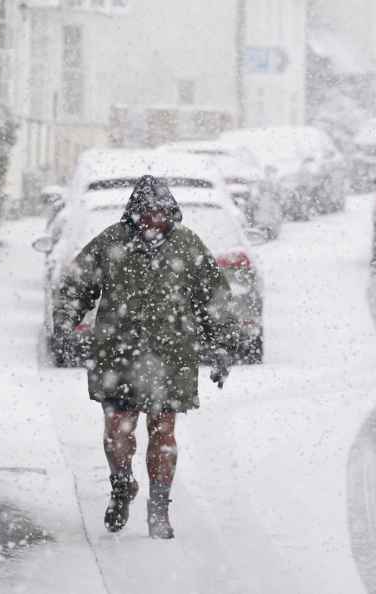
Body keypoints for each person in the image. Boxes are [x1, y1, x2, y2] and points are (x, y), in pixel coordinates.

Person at [54, 175, 236, 539]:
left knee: (163, 430)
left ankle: (159, 507)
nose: (155, 220)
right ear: (134, 214)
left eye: (162, 213)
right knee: (118, 429)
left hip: (172, 356)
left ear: (172, 213)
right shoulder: (111, 242)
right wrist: (65, 321)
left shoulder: (187, 245)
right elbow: (76, 284)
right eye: (148, 213)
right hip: (117, 353)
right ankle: (121, 485)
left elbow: (214, 297)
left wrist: (221, 345)